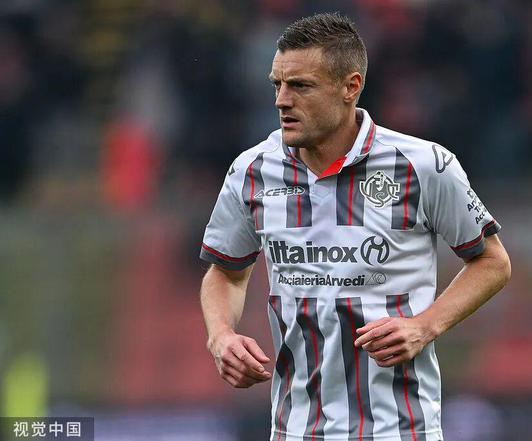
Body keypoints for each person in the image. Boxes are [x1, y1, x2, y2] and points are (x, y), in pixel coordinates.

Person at [199, 12, 511, 441]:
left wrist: (425, 326)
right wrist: (221, 336)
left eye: (300, 86)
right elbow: (226, 273)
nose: (281, 101)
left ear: (350, 87)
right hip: (296, 430)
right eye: (277, 84)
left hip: (400, 429)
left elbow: (492, 262)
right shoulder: (251, 171)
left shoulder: (423, 166)